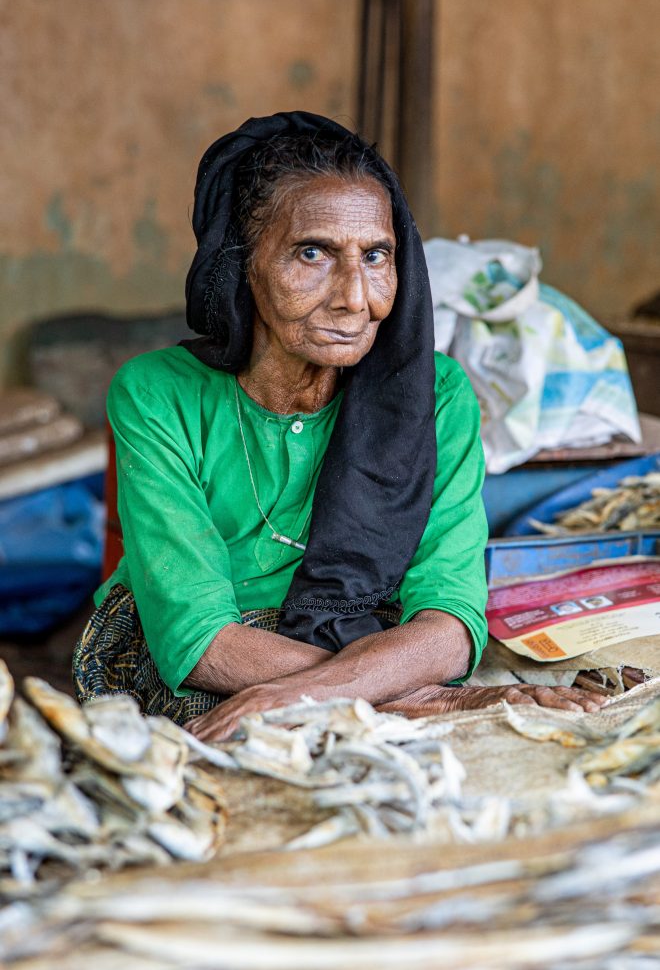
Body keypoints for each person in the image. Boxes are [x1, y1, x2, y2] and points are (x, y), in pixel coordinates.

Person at [74, 112, 605, 741]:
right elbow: (198, 641)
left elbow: (450, 619)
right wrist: (404, 695)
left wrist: (322, 693)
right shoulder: (158, 393)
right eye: (312, 253)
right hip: (200, 662)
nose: (356, 295)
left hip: (369, 652)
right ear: (242, 262)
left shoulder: (434, 396)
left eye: (376, 255)